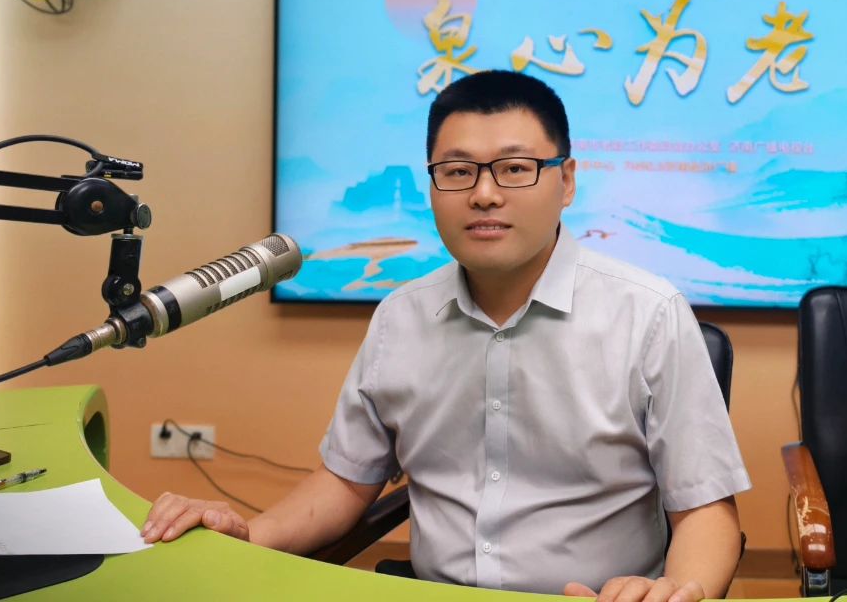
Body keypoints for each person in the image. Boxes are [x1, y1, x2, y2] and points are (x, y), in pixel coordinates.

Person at [142, 70, 750, 601]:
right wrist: (247, 534)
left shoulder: (648, 315)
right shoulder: (401, 317)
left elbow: (706, 509)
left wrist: (677, 590)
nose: (484, 194)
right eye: (458, 172)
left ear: (566, 181)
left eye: (515, 169)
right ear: (433, 185)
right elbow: (346, 482)